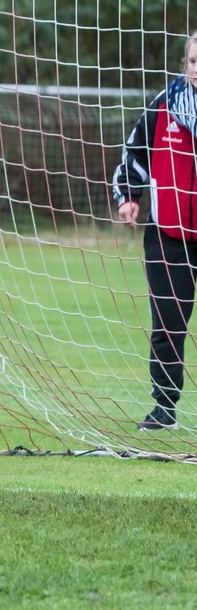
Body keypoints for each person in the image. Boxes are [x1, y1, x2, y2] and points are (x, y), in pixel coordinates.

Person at [112, 31, 197, 430]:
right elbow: (134, 155)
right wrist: (128, 196)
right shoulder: (163, 106)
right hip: (168, 235)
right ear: (186, 65)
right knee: (168, 323)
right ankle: (164, 408)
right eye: (195, 62)